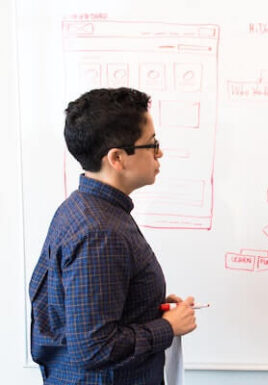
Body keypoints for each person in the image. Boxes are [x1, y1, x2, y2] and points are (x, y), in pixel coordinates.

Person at [28, 87, 197, 384]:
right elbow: (94, 348)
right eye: (151, 143)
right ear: (117, 157)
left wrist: (146, 304)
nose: (160, 152)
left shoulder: (85, 209)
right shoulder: (100, 233)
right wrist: (168, 327)